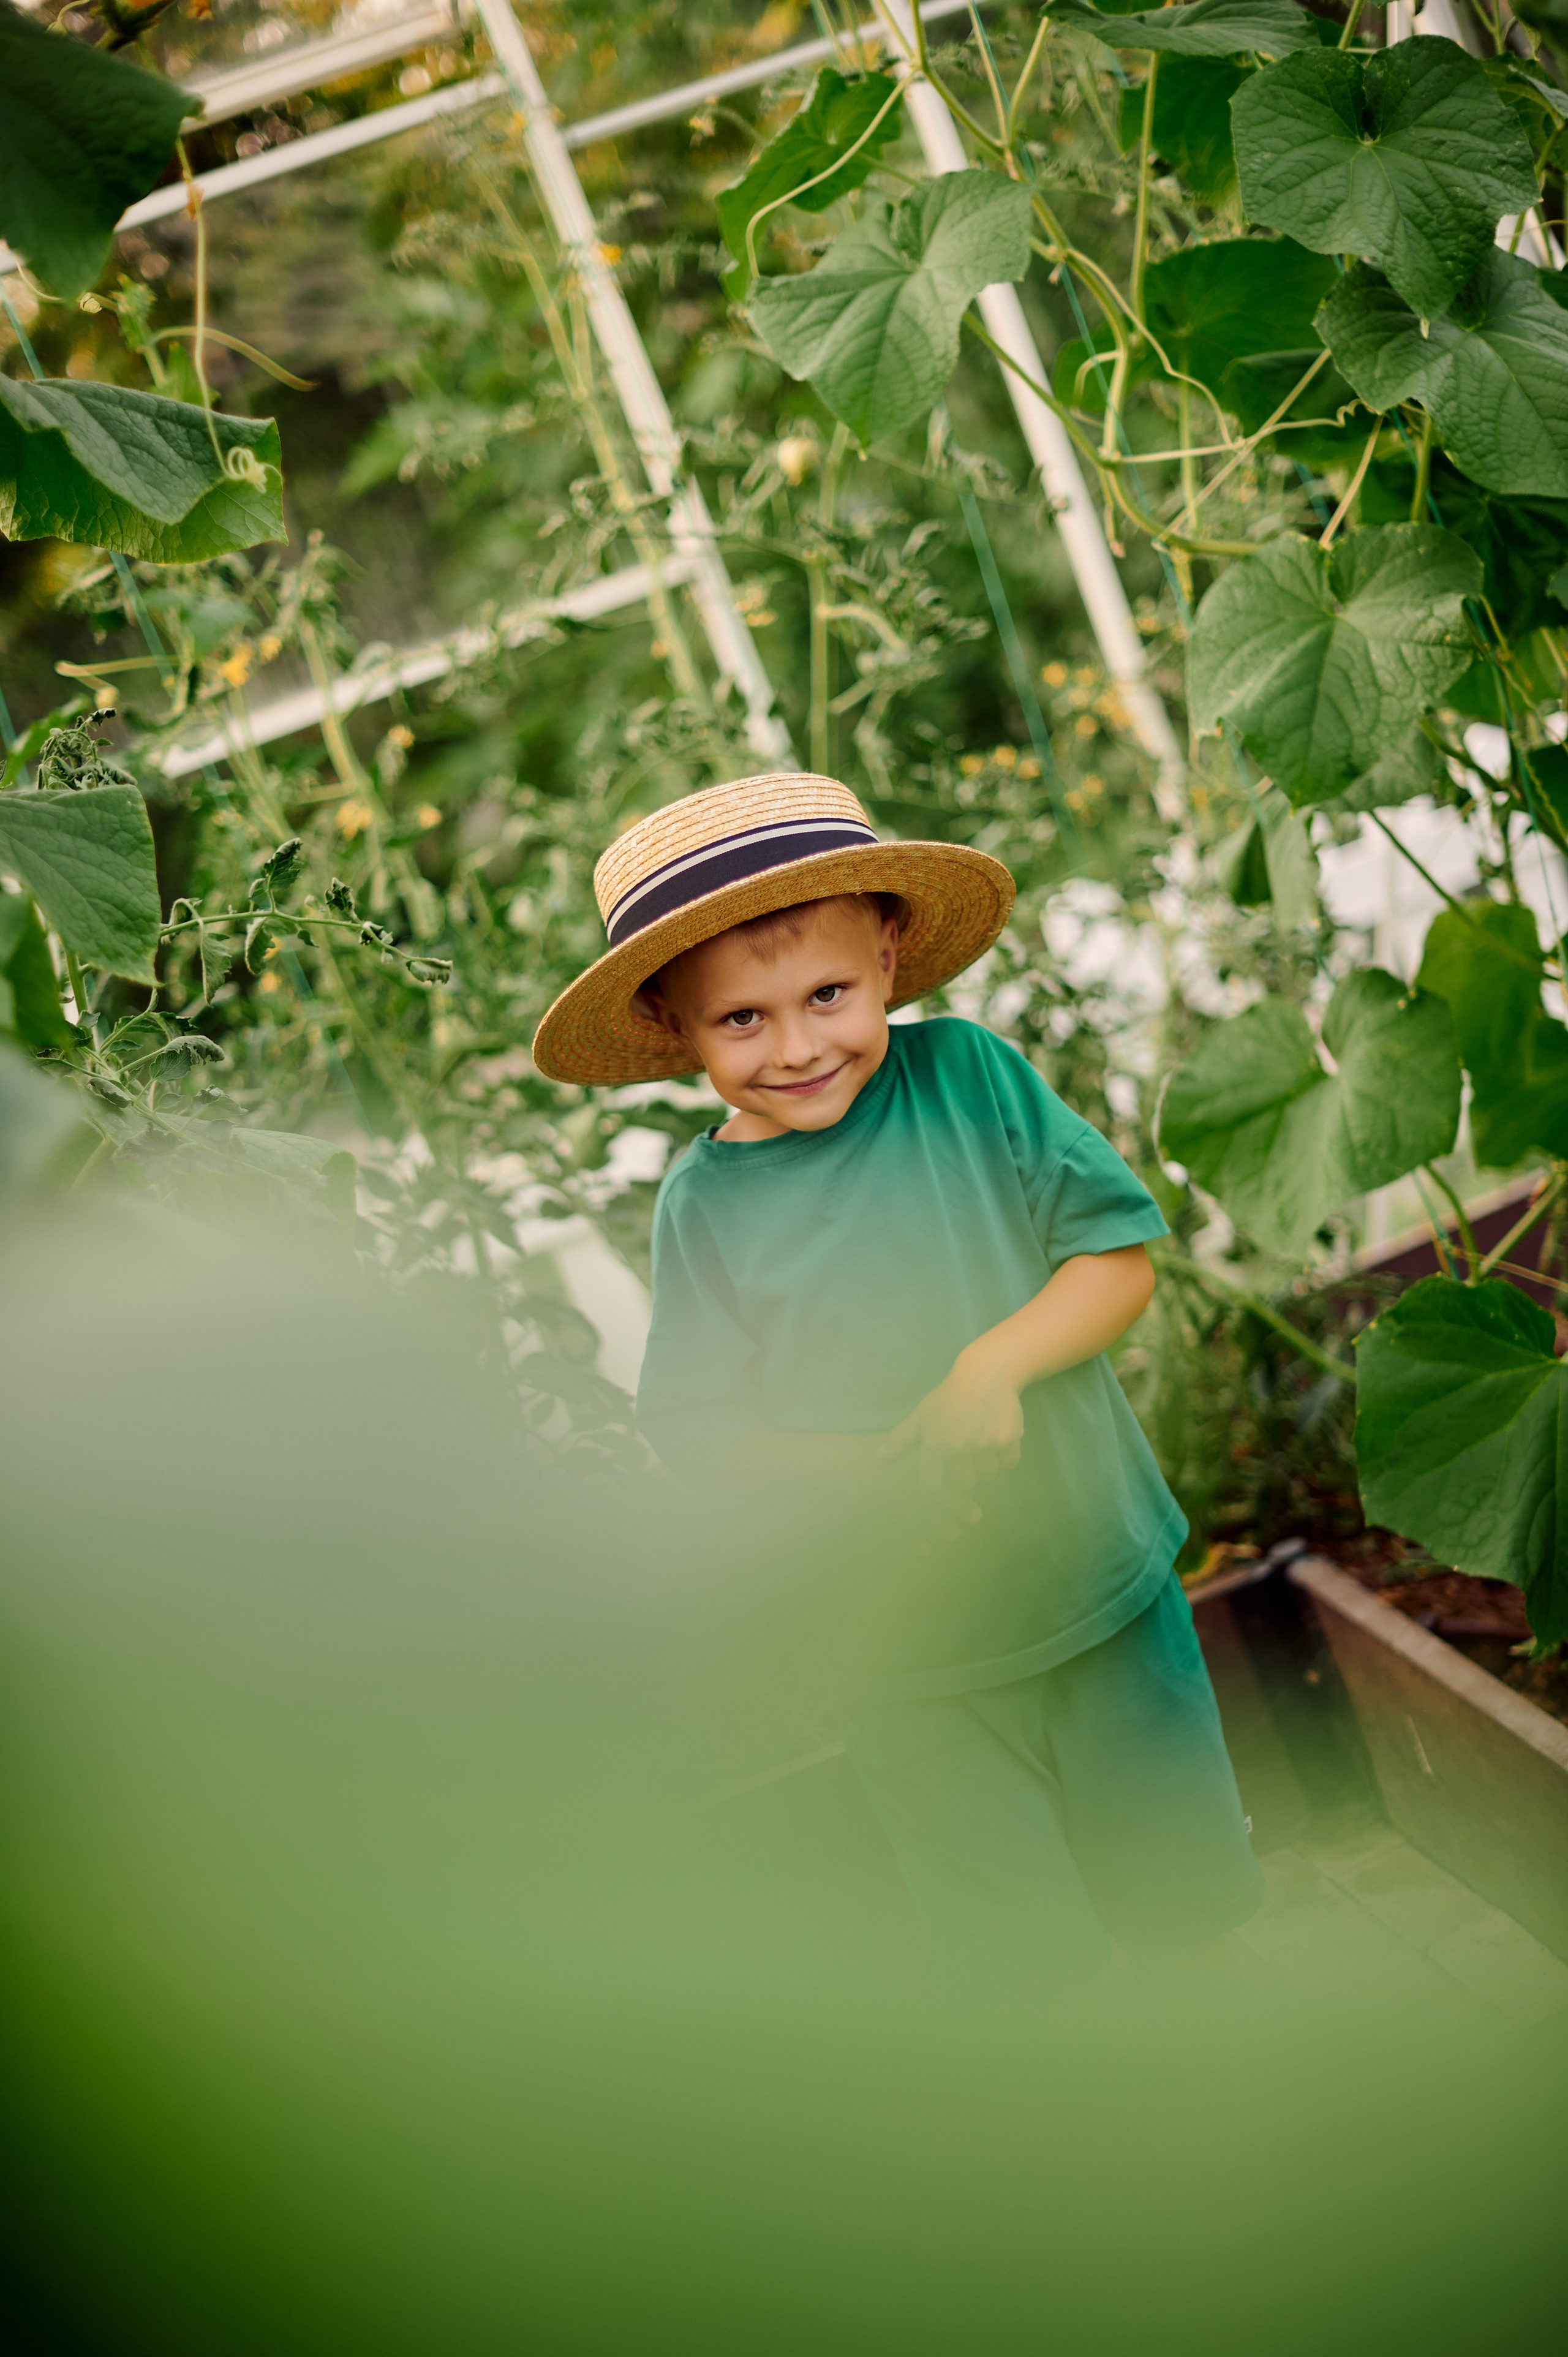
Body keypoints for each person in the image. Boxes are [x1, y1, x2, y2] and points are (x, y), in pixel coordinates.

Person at [534, 772, 1264, 1982]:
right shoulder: (702, 1210)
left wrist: (989, 1367)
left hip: (1101, 1591)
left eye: (825, 994)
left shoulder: (970, 1079)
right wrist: (872, 1465)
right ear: (670, 1024)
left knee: (1187, 1920)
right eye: (742, 1020)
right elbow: (703, 1428)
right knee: (1030, 1969)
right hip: (903, 1664)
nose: (797, 1044)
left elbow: (1115, 1261)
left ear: (885, 951)